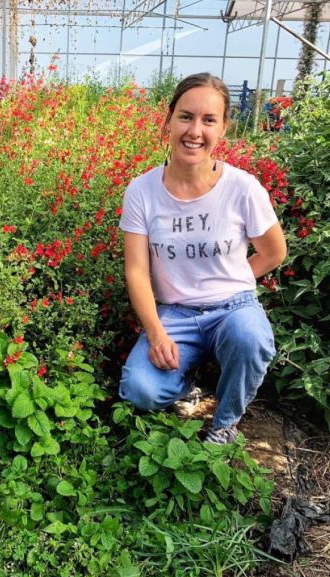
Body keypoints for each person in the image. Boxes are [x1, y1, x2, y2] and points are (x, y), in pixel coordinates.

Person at [118, 73, 286, 445]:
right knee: (140, 392)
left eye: (209, 120)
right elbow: (137, 271)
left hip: (233, 307)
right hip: (175, 313)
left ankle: (224, 423)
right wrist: (156, 332)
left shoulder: (242, 188)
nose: (195, 130)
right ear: (168, 121)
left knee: (250, 337)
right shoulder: (142, 191)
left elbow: (274, 252)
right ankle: (185, 385)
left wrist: (236, 279)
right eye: (186, 116)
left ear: (223, 128)